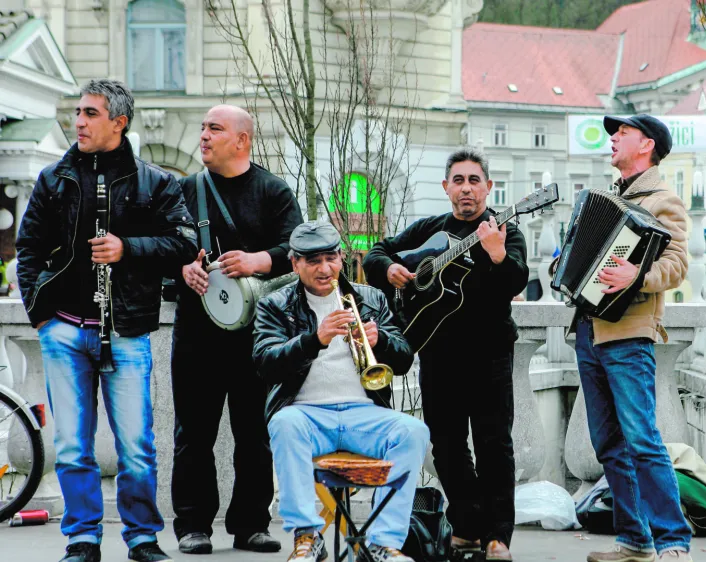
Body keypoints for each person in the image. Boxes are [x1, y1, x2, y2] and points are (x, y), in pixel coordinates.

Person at [15, 79, 198, 562]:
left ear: (118, 122)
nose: (78, 121)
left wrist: (127, 249)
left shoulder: (156, 181)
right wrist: (42, 317)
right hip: (65, 331)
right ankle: (82, 538)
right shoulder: (54, 179)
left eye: (91, 113)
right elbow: (28, 250)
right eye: (78, 111)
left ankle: (141, 538)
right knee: (73, 448)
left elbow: (182, 243)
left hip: (128, 330)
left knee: (136, 447)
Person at [363, 149, 528, 561]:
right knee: (447, 447)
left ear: (488, 188)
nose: (466, 188)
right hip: (437, 354)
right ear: (446, 188)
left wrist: (496, 254)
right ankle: (467, 525)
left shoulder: (504, 231)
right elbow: (374, 254)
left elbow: (515, 280)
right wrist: (390, 270)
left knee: (494, 447)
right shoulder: (430, 231)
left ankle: (497, 536)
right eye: (458, 180)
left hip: (489, 356)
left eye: (475, 180)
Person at [171, 105, 303, 554]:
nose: (203, 135)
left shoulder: (273, 191)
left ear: (242, 140)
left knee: (254, 434)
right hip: (196, 333)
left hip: (258, 335)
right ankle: (193, 526)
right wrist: (182, 270)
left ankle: (251, 524)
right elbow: (163, 250)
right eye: (203, 127)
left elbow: (299, 248)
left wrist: (258, 260)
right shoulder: (185, 191)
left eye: (215, 128)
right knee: (193, 434)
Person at [253, 221, 426, 562]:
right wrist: (313, 340)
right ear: (294, 263)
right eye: (313, 260)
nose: (324, 268)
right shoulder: (275, 305)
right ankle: (307, 537)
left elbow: (405, 358)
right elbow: (265, 362)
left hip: (364, 413)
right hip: (306, 414)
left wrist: (384, 342)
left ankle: (382, 542)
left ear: (342, 257)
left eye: (331, 258)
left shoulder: (371, 298)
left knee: (414, 431)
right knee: (284, 425)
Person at [578, 115, 692, 562]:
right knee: (608, 443)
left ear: (646, 144)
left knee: (642, 439)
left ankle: (673, 542)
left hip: (628, 331)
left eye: (621, 133)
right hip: (587, 330)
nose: (612, 138)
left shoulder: (663, 200)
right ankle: (635, 540)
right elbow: (579, 254)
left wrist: (637, 275)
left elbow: (679, 263)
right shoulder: (605, 197)